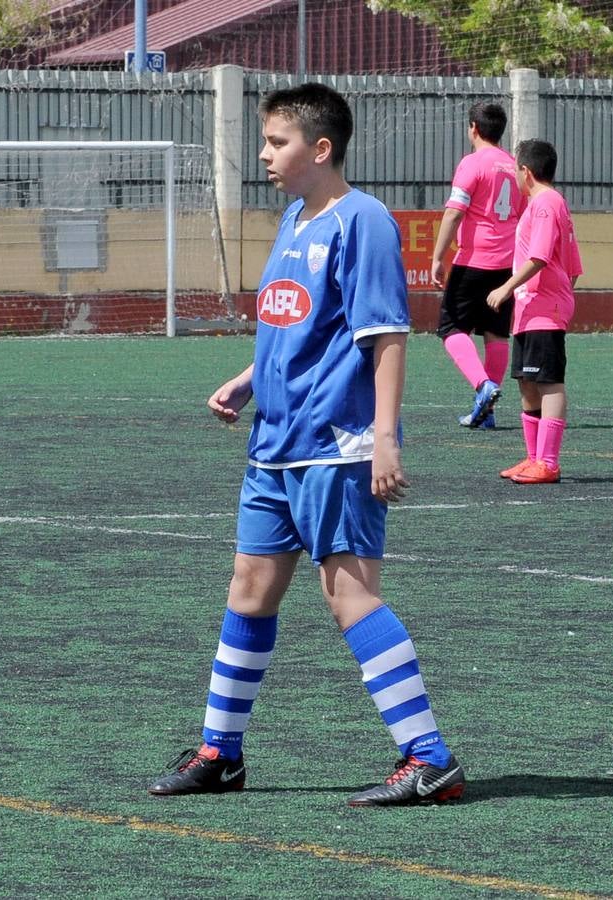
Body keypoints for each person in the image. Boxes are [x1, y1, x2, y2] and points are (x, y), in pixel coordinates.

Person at [147, 83, 463, 807]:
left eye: (276, 142)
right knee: (249, 591)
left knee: (349, 596)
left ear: (320, 149)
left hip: (337, 447)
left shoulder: (366, 223)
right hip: (275, 446)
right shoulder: (295, 217)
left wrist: (384, 440)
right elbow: (298, 326)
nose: (264, 154)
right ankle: (219, 754)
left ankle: (430, 759)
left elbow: (384, 338)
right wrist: (248, 380)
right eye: (264, 140)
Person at [485, 139, 583, 484]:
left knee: (549, 382)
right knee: (527, 381)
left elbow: (540, 257)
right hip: (531, 308)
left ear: (525, 171)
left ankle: (549, 462)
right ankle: (533, 457)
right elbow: (571, 266)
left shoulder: (545, 204)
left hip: (543, 308)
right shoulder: (547, 204)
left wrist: (506, 287)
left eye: (515, 169)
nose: (514, 174)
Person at [430, 101, 525, 430]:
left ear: (473, 128)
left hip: (474, 261)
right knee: (496, 333)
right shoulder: (515, 167)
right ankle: (487, 412)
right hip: (506, 263)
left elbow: (455, 211)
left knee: (450, 328)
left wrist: (438, 256)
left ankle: (483, 387)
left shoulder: (472, 163)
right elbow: (521, 214)